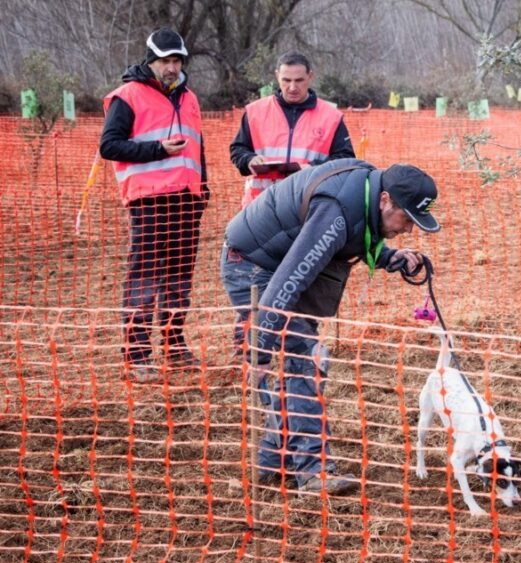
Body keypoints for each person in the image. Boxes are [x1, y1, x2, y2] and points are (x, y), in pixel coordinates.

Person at [220, 158, 440, 494]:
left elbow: (356, 231)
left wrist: (388, 257)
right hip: (254, 267)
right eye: (406, 219)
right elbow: (289, 280)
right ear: (385, 200)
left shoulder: (365, 191)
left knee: (302, 362)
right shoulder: (336, 210)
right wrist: (261, 346)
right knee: (303, 361)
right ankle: (312, 471)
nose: (408, 228)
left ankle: (271, 460)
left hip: (278, 264)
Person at [100, 27, 209, 383]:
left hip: (186, 201)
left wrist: (202, 188)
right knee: (144, 278)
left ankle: (174, 346)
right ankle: (137, 354)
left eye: (177, 60)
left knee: (179, 279)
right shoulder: (127, 96)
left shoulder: (189, 97)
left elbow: (197, 147)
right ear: (151, 61)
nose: (172, 67)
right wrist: (157, 149)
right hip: (148, 201)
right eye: (165, 60)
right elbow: (110, 146)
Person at [230, 52, 355, 208]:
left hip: (308, 206)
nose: (292, 87)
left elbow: (345, 159)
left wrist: (313, 168)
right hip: (259, 207)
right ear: (277, 76)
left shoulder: (331, 116)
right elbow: (238, 149)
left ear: (310, 77)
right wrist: (249, 159)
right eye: (286, 80)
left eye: (299, 80)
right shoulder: (255, 111)